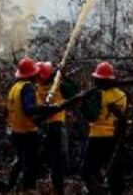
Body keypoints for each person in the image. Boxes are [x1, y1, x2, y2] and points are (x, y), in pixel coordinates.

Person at [6, 57, 63, 191]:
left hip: (16, 131)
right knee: (30, 166)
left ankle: (10, 187)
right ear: (32, 74)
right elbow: (29, 109)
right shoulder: (28, 88)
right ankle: (27, 190)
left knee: (19, 161)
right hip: (27, 133)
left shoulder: (14, 88)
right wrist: (47, 108)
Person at [81, 61, 127, 195]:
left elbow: (92, 116)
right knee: (114, 172)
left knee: (87, 171)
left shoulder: (99, 94)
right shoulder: (122, 95)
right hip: (114, 138)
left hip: (97, 137)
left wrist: (84, 104)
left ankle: (98, 192)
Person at [36, 61, 79, 194]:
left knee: (39, 161)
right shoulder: (58, 85)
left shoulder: (35, 87)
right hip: (56, 127)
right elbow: (75, 94)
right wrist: (64, 76)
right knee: (56, 164)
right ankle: (57, 189)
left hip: (41, 127)